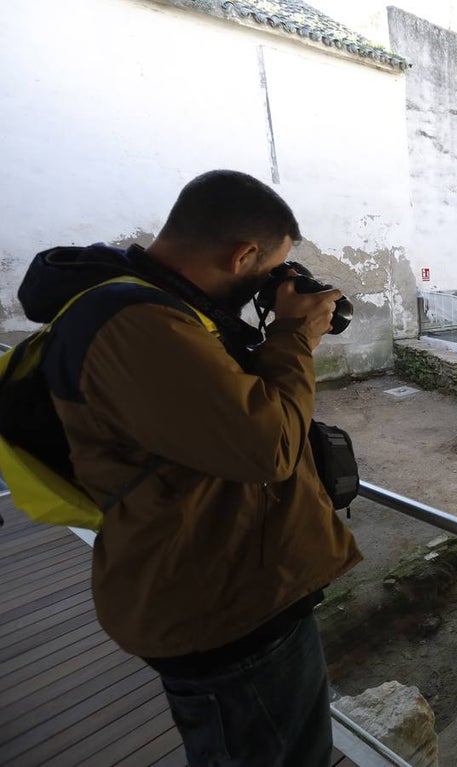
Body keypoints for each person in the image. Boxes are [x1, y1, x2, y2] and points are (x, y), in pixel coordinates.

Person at [17, 170, 362, 766]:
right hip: (221, 611)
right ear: (243, 254)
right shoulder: (137, 323)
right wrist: (293, 334)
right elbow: (269, 446)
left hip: (224, 584)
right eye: (273, 266)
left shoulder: (166, 310)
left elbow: (224, 412)